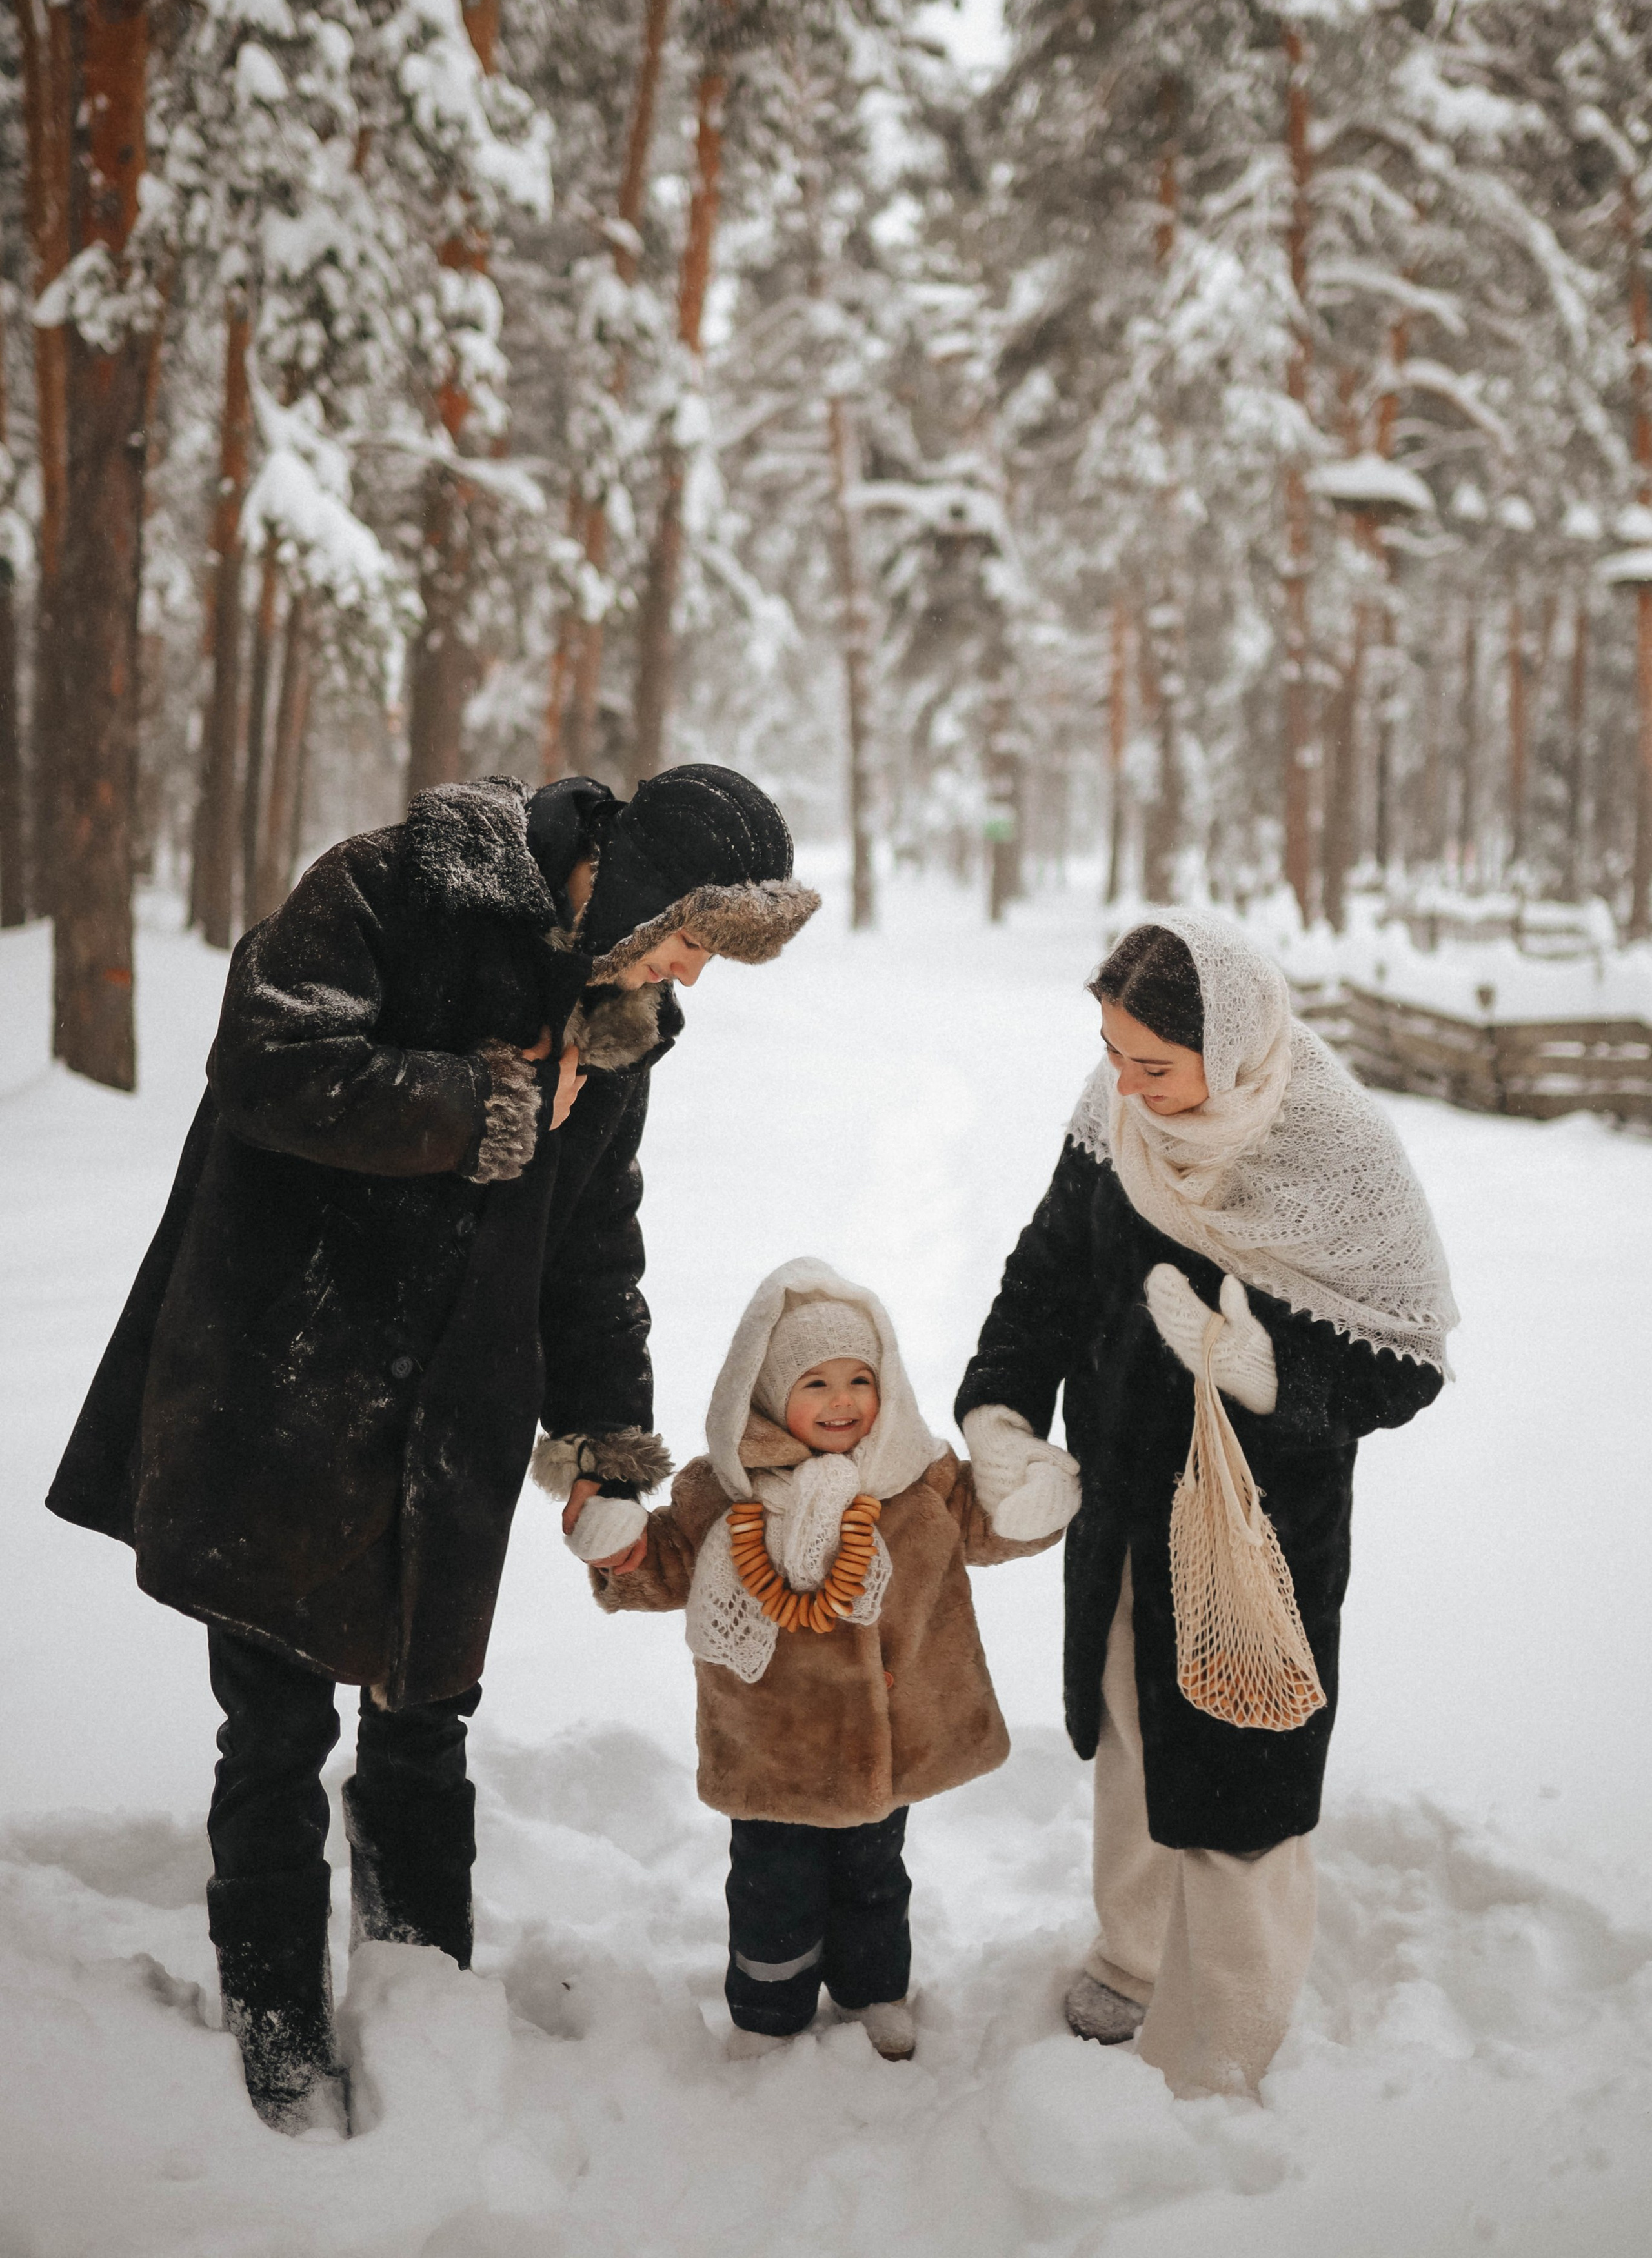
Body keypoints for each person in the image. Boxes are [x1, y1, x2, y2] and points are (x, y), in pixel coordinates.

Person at [45, 764, 820, 2133]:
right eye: (695, 936)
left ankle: (422, 1995)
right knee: (275, 1726)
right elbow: (269, 1062)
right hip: (289, 1377)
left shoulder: (619, 1017)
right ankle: (276, 2017)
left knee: (423, 1712)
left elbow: (592, 1241)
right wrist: (477, 1107)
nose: (694, 972)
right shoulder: (393, 886)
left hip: (456, 1410)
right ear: (641, 887)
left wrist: (605, 1439)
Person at [955, 912, 1456, 2099]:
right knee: (1131, 1726)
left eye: (1155, 1065)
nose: (1126, 1086)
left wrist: (1265, 1371)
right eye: (1111, 1052)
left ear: (1229, 1052)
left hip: (1255, 1535)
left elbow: (1409, 1368)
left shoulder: (1336, 1156)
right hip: (1122, 1499)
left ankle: (1228, 2042)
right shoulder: (1117, 1110)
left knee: (1241, 1777)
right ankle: (1133, 1958)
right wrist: (1002, 1414)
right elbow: (1048, 1270)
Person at [570, 1258, 1079, 2059]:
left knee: (875, 1877)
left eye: (859, 1381)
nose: (842, 1401)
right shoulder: (722, 1492)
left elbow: (987, 1524)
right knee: (771, 1887)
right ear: (769, 1393)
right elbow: (663, 1563)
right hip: (773, 1750)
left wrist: (1032, 1508)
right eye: (816, 1384)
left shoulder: (919, 1479)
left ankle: (872, 1992)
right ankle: (768, 2008)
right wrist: (620, 1551)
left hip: (893, 1739)